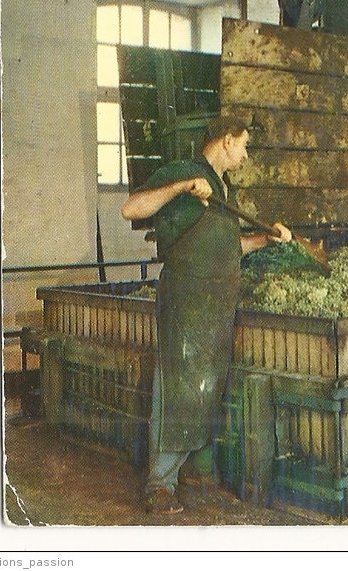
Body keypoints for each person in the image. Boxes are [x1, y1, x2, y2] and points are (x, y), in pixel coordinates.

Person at [121, 115, 292, 514]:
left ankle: (196, 474)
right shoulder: (189, 173)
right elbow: (131, 208)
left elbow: (230, 249)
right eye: (244, 145)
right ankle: (158, 484)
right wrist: (182, 186)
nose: (246, 154)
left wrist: (266, 238)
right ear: (226, 141)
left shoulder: (221, 190)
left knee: (205, 390)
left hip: (216, 308)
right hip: (187, 303)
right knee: (178, 389)